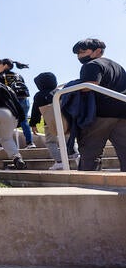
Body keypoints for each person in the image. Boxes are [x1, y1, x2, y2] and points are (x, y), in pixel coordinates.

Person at [71, 38, 126, 171]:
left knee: (89, 154)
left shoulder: (91, 64)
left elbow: (90, 85)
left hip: (100, 115)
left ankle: (85, 188)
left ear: (98, 51)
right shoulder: (118, 66)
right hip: (123, 114)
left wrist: (71, 88)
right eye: (77, 53)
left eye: (83, 52)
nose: (80, 56)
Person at [30, 72, 77, 170]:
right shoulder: (60, 92)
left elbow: (36, 110)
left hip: (49, 122)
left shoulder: (39, 95)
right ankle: (74, 155)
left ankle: (59, 161)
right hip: (65, 120)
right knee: (68, 138)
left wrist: (33, 123)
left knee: (51, 142)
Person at [0, 58, 34, 148]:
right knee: (24, 120)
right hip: (24, 99)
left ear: (5, 65)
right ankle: (30, 143)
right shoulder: (18, 75)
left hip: (11, 100)